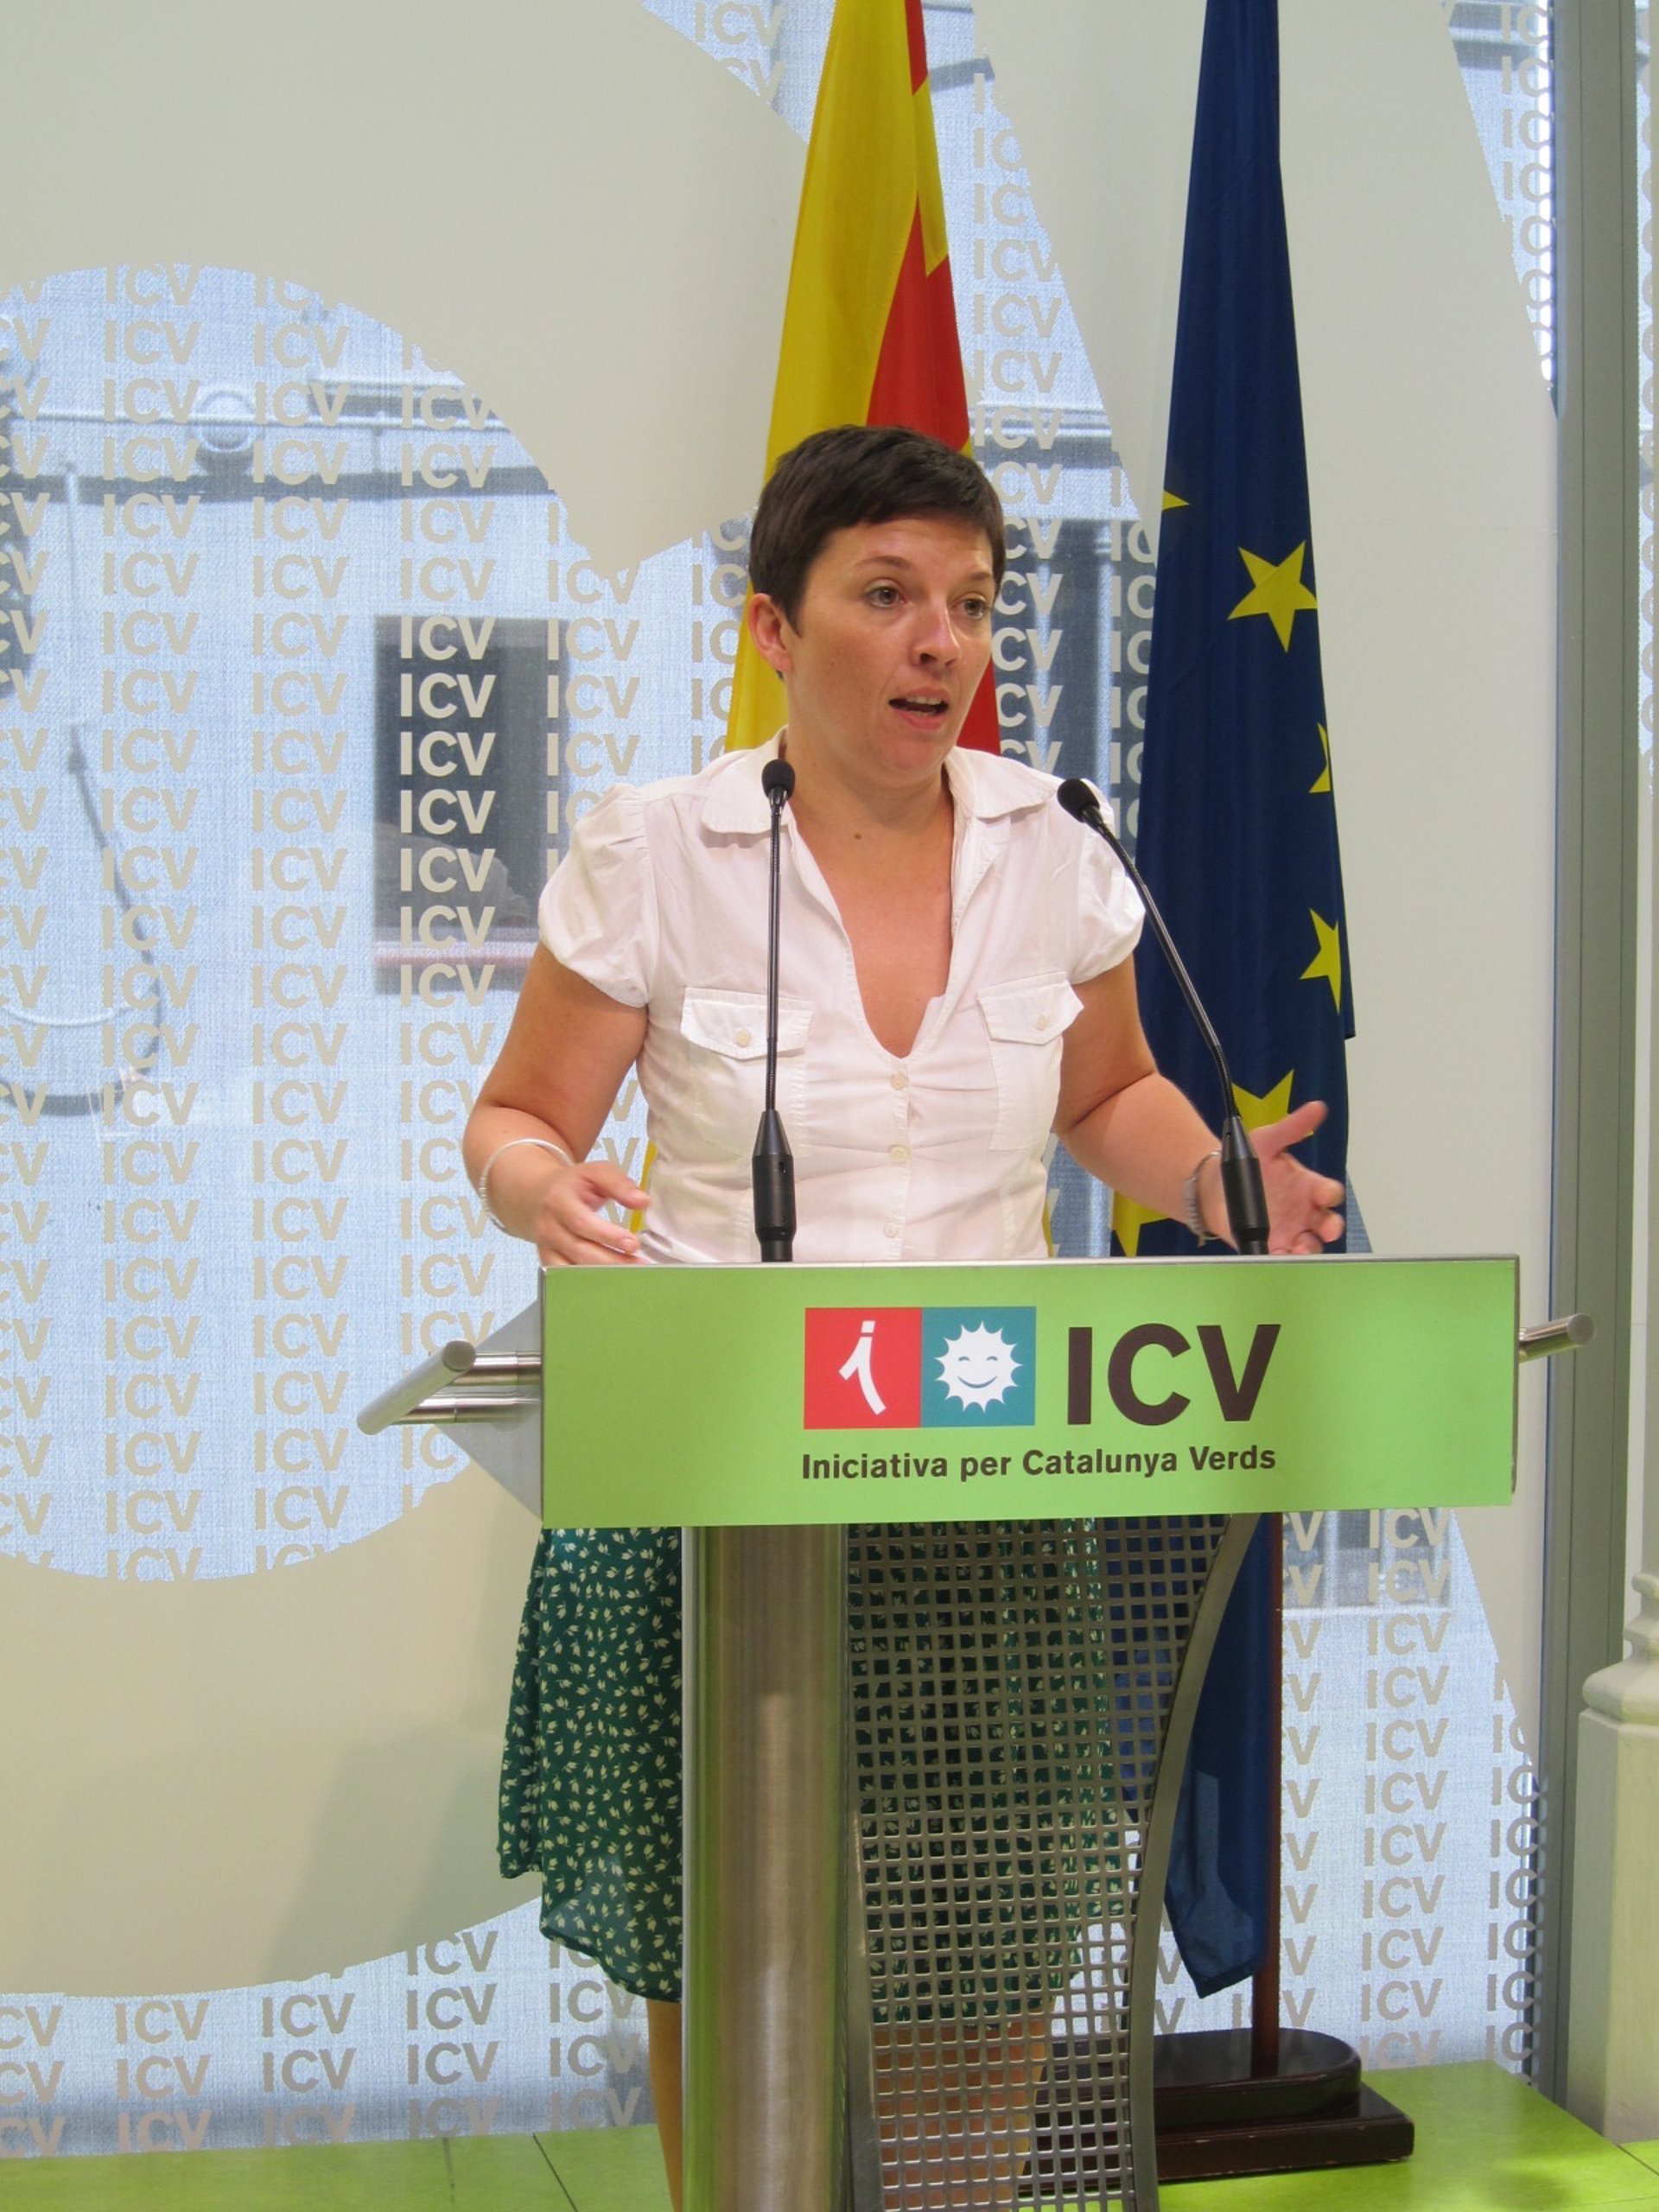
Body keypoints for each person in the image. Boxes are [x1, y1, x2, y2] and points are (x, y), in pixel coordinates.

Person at [461, 424, 1342, 2209]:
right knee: (728, 1944)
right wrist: (541, 1185)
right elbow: (518, 1117)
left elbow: (1110, 1096)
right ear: (776, 630)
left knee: (985, 1942)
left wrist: (1209, 1176)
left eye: (972, 603)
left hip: (980, 1470)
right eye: (887, 595)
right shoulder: (661, 853)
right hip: (719, 1489)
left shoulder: (1053, 848)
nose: (942, 641)